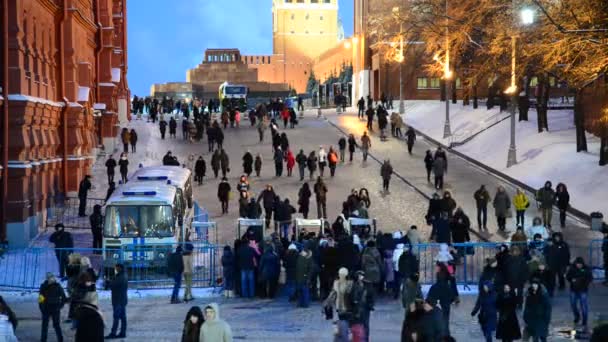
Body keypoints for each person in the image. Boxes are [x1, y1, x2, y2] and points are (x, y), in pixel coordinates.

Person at [427, 265, 458, 336]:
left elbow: (428, 301)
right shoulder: (447, 287)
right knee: (445, 326)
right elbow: (452, 298)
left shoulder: (434, 287)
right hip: (445, 311)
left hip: (435, 314)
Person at [566, 257, 593, 329]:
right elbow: (568, 276)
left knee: (584, 306)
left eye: (580, 264)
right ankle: (577, 316)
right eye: (578, 264)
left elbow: (590, 278)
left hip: (583, 290)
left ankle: (584, 320)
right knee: (573, 304)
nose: (579, 265)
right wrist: (572, 280)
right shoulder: (572, 268)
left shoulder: (586, 269)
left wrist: (583, 282)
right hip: (573, 290)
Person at [39, 273, 65, 342]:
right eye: (49, 278)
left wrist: (60, 306)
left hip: (54, 309)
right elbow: (41, 299)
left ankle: (60, 339)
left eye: (51, 277)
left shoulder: (57, 286)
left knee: (55, 325)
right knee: (46, 326)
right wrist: (42, 308)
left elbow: (63, 298)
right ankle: (44, 340)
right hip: (47, 309)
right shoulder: (44, 286)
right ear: (47, 279)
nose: (51, 279)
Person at [350, 270, 375, 341]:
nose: (361, 277)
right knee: (356, 325)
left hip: (365, 308)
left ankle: (365, 339)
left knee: (365, 325)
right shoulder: (353, 285)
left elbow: (371, 296)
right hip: (356, 307)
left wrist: (370, 306)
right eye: (359, 276)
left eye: (362, 275)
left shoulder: (368, 285)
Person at [106, 263, 128, 339]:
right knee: (122, 317)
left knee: (116, 317)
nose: (115, 269)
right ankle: (122, 332)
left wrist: (108, 282)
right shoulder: (123, 276)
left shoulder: (120, 277)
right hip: (122, 299)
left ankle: (113, 333)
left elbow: (113, 285)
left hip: (118, 300)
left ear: (119, 268)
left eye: (116, 268)